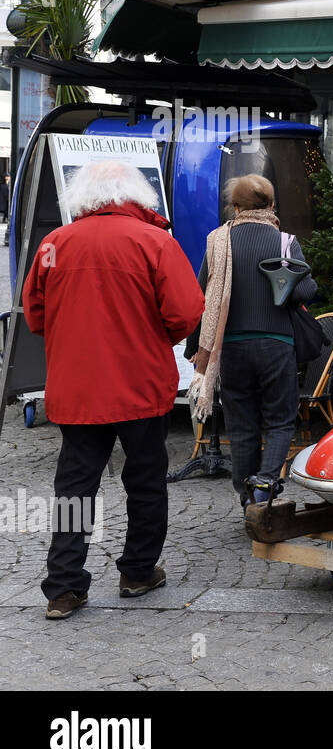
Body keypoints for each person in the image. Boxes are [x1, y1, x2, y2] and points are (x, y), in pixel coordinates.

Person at [23, 161, 205, 620]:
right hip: (139, 385)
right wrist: (151, 337)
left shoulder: (54, 245)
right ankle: (138, 571)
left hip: (78, 388)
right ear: (136, 195)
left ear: (82, 197)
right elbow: (185, 312)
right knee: (145, 482)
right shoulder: (154, 242)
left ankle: (63, 588)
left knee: (74, 490)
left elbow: (35, 316)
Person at [190, 174, 317, 509]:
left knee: (242, 424)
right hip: (276, 344)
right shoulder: (285, 242)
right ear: (272, 205)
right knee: (279, 419)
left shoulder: (217, 241)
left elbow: (203, 294)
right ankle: (266, 482)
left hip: (230, 347)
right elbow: (305, 291)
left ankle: (246, 497)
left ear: (235, 207)